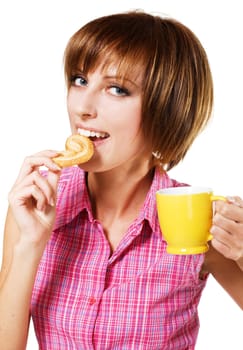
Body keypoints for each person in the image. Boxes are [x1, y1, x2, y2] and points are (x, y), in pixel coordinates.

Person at [0, 10, 243, 350]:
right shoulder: (37, 204)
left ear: (166, 110)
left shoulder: (200, 218)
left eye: (116, 89)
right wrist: (29, 246)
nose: (83, 106)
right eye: (80, 80)